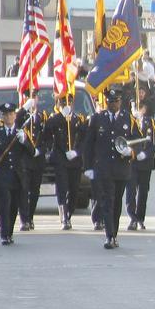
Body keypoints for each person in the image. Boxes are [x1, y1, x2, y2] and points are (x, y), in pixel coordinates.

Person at [82, 89, 135, 250]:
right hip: (103, 169)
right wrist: (88, 167)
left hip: (121, 168)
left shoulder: (129, 119)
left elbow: (138, 140)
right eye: (110, 102)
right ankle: (109, 236)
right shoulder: (97, 119)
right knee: (107, 201)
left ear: (120, 102)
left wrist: (131, 151)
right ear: (106, 102)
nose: (113, 104)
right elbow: (88, 145)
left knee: (117, 203)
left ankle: (114, 234)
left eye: (116, 101)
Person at [44, 94, 86, 230]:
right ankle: (64, 218)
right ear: (58, 105)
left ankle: (69, 213)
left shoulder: (79, 119)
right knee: (62, 188)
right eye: (62, 103)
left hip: (74, 160)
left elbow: (85, 139)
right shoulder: (54, 119)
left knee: (74, 191)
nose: (66, 105)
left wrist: (77, 151)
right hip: (60, 158)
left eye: (68, 103)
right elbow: (47, 131)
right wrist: (62, 116)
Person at [13, 93, 45, 232]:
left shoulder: (42, 117)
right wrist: (25, 108)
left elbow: (48, 136)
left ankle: (30, 217)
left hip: (38, 159)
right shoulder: (21, 116)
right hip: (24, 159)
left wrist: (40, 150)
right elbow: (15, 120)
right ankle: (24, 220)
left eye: (34, 97)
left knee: (35, 191)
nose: (32, 99)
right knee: (23, 190)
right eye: (29, 97)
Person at [124, 101, 155, 231]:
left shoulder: (151, 122)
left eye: (138, 107)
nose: (135, 110)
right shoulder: (128, 122)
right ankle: (132, 218)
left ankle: (140, 218)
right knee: (131, 191)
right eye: (133, 107)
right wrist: (133, 152)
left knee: (143, 193)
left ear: (144, 108)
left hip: (146, 163)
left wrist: (146, 154)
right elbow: (124, 140)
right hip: (131, 162)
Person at [0, 102, 24, 245]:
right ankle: (4, 234)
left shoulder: (20, 133)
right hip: (1, 175)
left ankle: (10, 232)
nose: (8, 117)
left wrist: (24, 141)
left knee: (13, 206)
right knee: (4, 204)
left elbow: (32, 152)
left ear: (15, 115)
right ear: (3, 117)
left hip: (17, 176)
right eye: (6, 115)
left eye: (11, 114)